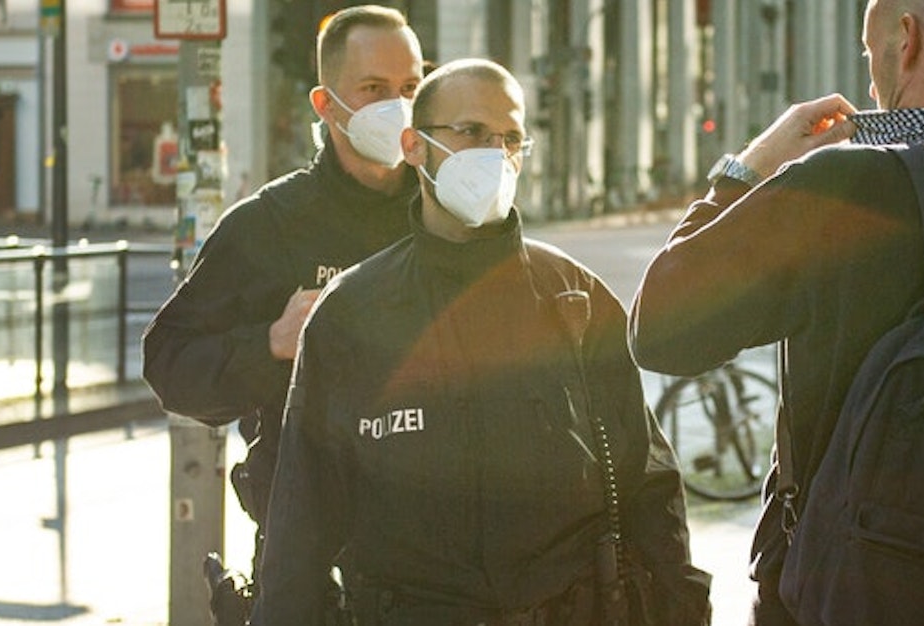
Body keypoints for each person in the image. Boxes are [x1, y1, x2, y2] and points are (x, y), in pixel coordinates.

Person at [629, 1, 924, 623]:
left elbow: (660, 331)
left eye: (868, 50)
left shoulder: (844, 186)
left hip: (824, 596)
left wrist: (751, 165)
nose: (871, 78)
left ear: (906, 39)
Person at [252, 59, 711, 626]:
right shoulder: (352, 312)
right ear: (414, 146)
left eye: (510, 138)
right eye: (471, 132)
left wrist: (681, 608)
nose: (495, 153)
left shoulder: (573, 299)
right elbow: (302, 516)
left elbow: (649, 484)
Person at [140, 3, 423, 614]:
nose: (396, 107)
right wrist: (271, 342)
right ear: (326, 105)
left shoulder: (443, 216)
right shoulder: (268, 225)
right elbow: (168, 362)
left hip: (441, 565)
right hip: (311, 569)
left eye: (409, 88)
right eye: (374, 90)